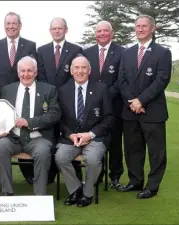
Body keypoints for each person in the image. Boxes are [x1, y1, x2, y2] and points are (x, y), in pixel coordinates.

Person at [117, 15, 172, 199]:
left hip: (152, 111)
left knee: (156, 152)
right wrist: (133, 102)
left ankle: (152, 186)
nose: (140, 29)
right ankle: (135, 181)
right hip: (130, 111)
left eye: (144, 26)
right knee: (133, 149)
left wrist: (141, 101)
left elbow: (161, 80)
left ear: (153, 29)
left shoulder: (163, 53)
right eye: (137, 26)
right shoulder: (127, 53)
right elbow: (121, 80)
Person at [0, 56, 61, 196]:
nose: (26, 74)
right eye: (22, 71)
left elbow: (54, 114)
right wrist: (1, 129)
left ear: (36, 72)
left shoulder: (49, 90)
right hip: (13, 138)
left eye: (29, 71)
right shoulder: (7, 90)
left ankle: (40, 195)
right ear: (18, 73)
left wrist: (29, 122)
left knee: (43, 152)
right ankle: (7, 191)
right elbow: (1, 114)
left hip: (38, 138)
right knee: (0, 146)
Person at [55, 55, 114, 207]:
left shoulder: (101, 89)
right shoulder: (62, 91)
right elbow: (59, 119)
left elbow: (109, 119)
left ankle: (87, 192)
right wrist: (70, 135)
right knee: (60, 157)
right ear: (71, 71)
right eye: (76, 68)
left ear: (89, 70)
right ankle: (75, 189)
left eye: (83, 68)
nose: (80, 71)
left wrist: (90, 134)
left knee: (93, 159)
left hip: (95, 137)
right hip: (71, 138)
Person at [0, 12, 37, 183]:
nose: (10, 26)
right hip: (1, 98)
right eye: (7, 23)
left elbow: (29, 70)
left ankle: (27, 173)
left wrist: (18, 88)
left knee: (21, 131)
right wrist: (6, 89)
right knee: (0, 135)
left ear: (20, 25)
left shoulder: (30, 45)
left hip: (23, 95)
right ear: (4, 26)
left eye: (14, 23)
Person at [37, 17, 84, 184]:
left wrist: (64, 93)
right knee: (49, 137)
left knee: (69, 135)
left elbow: (77, 74)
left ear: (66, 30)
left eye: (60, 28)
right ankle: (49, 175)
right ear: (50, 31)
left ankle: (76, 176)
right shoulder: (41, 51)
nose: (57, 31)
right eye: (54, 28)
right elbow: (40, 76)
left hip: (69, 101)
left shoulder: (76, 49)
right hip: (47, 103)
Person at [83, 20, 125, 188]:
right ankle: (97, 176)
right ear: (95, 33)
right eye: (99, 31)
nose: (101, 34)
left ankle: (115, 177)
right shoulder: (86, 53)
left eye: (105, 31)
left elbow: (122, 78)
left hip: (114, 105)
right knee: (96, 141)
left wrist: (106, 96)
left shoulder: (122, 52)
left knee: (115, 142)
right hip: (92, 108)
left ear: (111, 32)